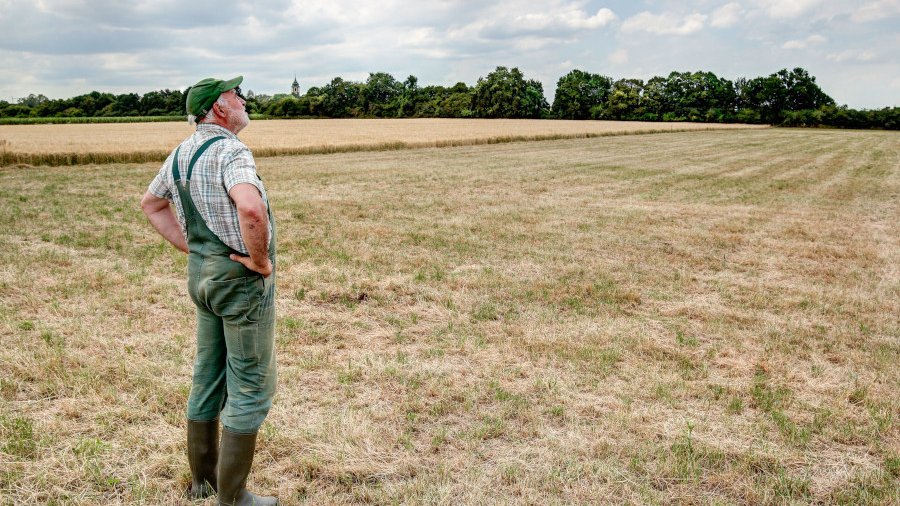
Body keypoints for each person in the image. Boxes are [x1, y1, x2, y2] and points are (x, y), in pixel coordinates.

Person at [140, 76, 278, 506]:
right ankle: (233, 498)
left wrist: (194, 249)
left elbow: (151, 203)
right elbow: (250, 208)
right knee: (251, 383)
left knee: (207, 373)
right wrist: (258, 261)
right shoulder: (230, 151)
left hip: (201, 277)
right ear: (219, 109)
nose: (242, 99)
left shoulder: (180, 153)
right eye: (235, 95)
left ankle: (203, 482)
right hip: (237, 281)